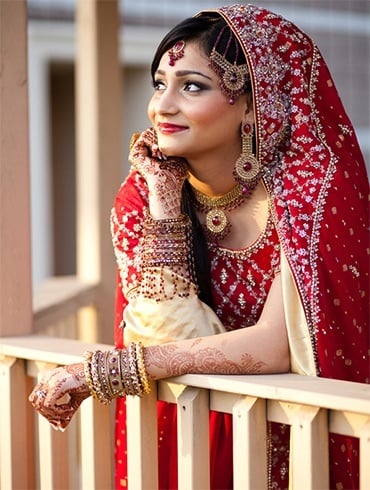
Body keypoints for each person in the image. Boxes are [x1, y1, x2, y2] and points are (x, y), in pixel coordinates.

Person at [29, 4, 369, 489]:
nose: (162, 106)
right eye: (159, 84)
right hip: (191, 439)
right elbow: (162, 334)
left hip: (303, 438)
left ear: (257, 104)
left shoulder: (311, 191)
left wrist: (108, 368)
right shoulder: (143, 194)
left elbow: (274, 345)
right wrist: (166, 206)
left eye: (192, 86)